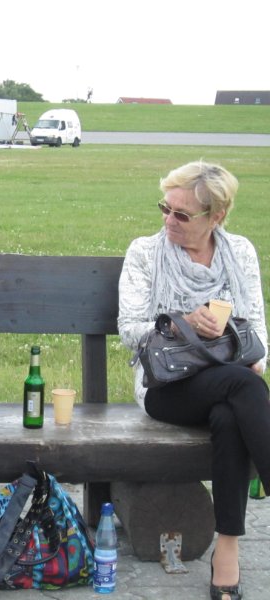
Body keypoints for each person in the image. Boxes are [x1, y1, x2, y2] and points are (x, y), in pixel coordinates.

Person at [118, 161, 268, 600]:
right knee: (242, 388)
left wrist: (248, 353)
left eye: (182, 214)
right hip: (165, 385)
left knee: (229, 415)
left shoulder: (240, 253)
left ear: (216, 216)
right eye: (166, 208)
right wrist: (182, 323)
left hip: (227, 383)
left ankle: (227, 550)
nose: (169, 220)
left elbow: (258, 330)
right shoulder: (146, 252)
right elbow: (129, 329)